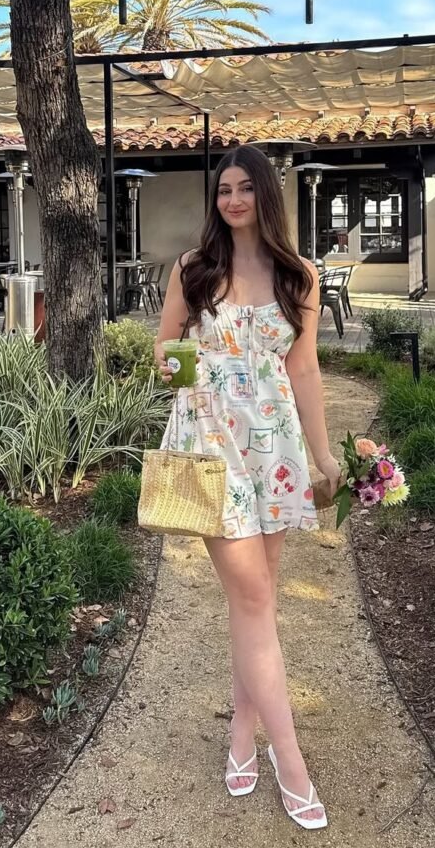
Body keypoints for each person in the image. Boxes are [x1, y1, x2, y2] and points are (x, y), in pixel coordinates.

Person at [154, 145, 341, 831]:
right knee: (256, 598)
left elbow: (305, 371)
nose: (231, 200)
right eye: (223, 190)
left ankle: (241, 728)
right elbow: (163, 345)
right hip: (210, 450)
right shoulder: (195, 269)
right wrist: (193, 386)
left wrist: (323, 457)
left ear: (265, 196)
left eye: (243, 189)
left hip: (276, 454)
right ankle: (289, 761)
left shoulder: (299, 276)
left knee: (250, 605)